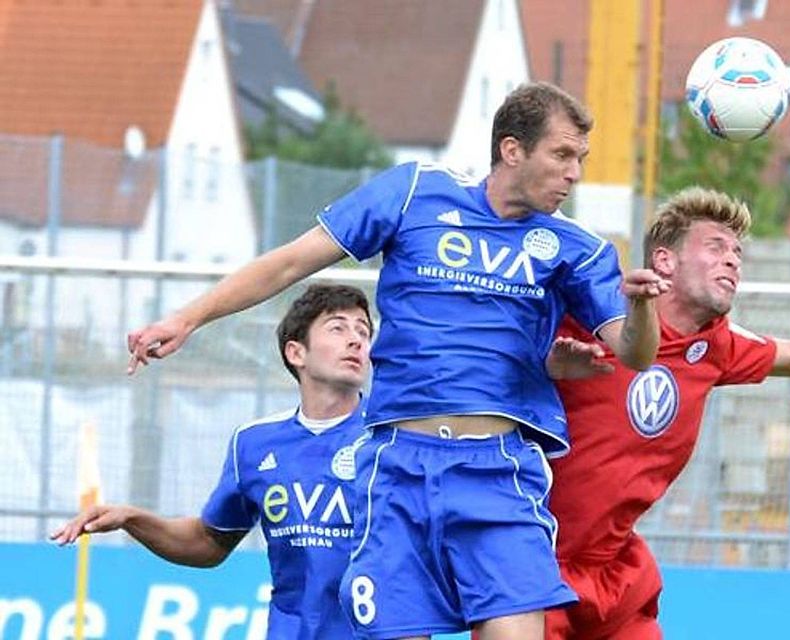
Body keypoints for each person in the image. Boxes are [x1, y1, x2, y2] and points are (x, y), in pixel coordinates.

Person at [125, 81, 670, 640]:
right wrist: (186, 318)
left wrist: (642, 307)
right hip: (397, 468)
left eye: (580, 159)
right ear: (512, 150)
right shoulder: (413, 193)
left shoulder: (577, 248)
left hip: (498, 473)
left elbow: (635, 351)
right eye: (562, 155)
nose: (574, 172)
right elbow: (290, 263)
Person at [542, 186, 790, 640]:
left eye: (737, 251)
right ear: (664, 261)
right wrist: (542, 363)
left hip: (614, 572)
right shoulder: (587, 317)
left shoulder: (716, 345)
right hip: (534, 562)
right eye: (715, 247)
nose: (732, 259)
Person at [52, 283, 374, 639]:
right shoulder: (253, 444)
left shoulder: (393, 438)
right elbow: (208, 542)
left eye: (363, 330)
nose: (356, 340)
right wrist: (132, 518)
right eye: (338, 328)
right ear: (296, 353)